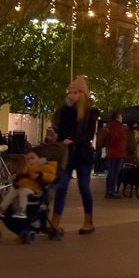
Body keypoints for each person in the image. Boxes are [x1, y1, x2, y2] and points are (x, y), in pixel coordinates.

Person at [50, 76, 101, 235]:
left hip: (83, 155)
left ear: (82, 95)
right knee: (62, 187)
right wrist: (59, 139)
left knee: (84, 188)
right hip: (67, 155)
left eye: (75, 92)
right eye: (70, 92)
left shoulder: (90, 113)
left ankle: (88, 221)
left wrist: (73, 140)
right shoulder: (64, 111)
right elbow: (57, 129)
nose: (71, 95)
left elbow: (89, 135)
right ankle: (55, 222)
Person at [0, 147, 57, 219]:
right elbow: (23, 177)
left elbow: (50, 176)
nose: (30, 161)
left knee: (24, 191)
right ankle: (2, 208)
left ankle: (22, 210)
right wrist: (17, 179)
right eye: (28, 159)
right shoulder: (28, 167)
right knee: (12, 191)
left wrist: (40, 176)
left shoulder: (46, 167)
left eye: (32, 158)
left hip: (36, 189)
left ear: (39, 158)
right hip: (25, 186)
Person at [100, 112, 127, 199]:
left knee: (111, 172)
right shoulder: (118, 127)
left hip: (110, 152)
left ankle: (108, 191)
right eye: (121, 116)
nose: (122, 118)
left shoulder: (108, 125)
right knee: (115, 173)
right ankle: (111, 191)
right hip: (118, 153)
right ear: (117, 118)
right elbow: (116, 138)